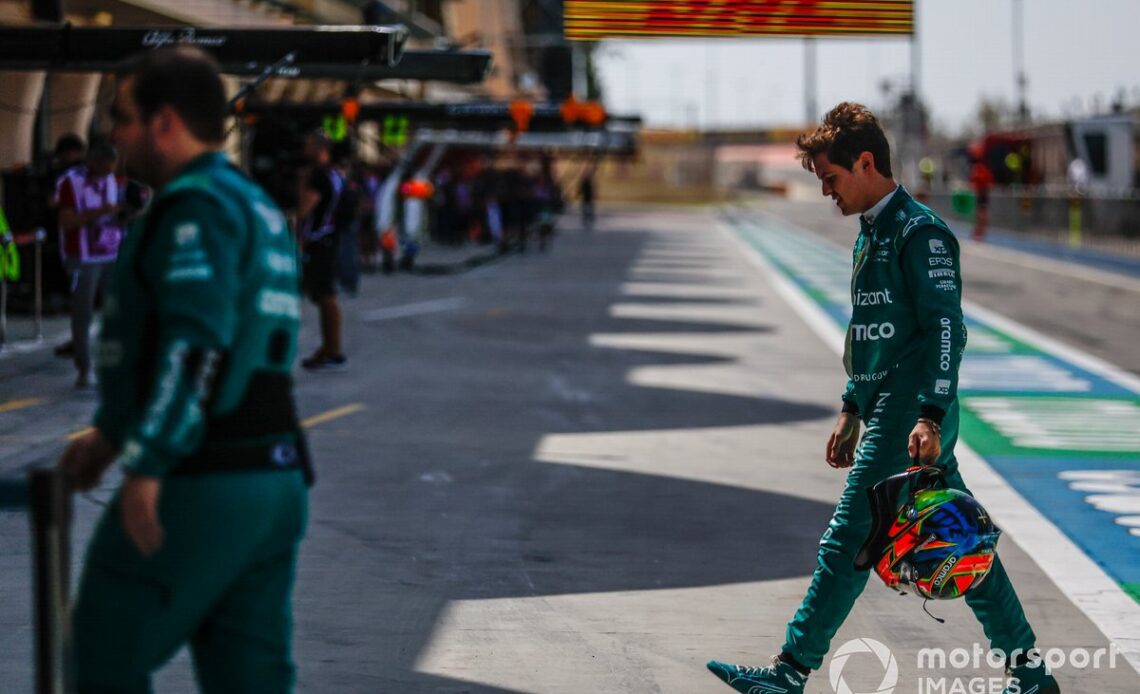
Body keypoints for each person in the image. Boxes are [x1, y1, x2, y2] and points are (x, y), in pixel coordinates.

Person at [707, 102, 1059, 694]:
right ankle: (1031, 676)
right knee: (961, 536)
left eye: (831, 178)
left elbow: (947, 330)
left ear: (865, 162)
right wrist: (850, 408)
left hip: (912, 413)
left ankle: (789, 673)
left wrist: (930, 414)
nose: (825, 192)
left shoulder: (921, 234)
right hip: (891, 411)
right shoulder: (870, 234)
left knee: (850, 535)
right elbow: (869, 333)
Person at [59, 46, 311, 693]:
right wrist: (113, 431)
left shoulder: (194, 208)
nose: (112, 135)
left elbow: (198, 345)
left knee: (104, 654)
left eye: (122, 117)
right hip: (273, 474)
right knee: (249, 677)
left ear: (164, 122)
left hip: (205, 474)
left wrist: (148, 462)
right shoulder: (251, 204)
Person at [54, 141, 125, 388]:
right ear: (93, 162)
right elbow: (67, 221)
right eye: (105, 168)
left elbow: (117, 213)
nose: (108, 173)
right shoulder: (71, 182)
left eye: (111, 169)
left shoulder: (113, 181)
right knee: (82, 313)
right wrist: (99, 212)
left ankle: (116, 365)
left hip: (110, 253)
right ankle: (84, 368)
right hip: (82, 257)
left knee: (116, 309)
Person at [297, 131, 347, 369]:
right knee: (325, 295)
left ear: (319, 149)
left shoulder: (318, 177)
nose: (304, 151)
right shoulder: (336, 174)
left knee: (325, 295)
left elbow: (304, 209)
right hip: (330, 237)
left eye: (308, 146)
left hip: (318, 240)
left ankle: (333, 350)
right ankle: (330, 348)